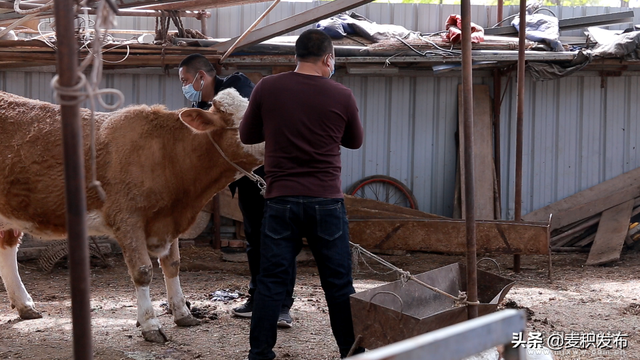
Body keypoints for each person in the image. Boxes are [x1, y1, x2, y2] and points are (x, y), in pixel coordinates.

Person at [239, 29, 365, 359]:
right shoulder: (342, 95)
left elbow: (247, 134)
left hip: (281, 200)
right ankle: (350, 353)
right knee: (339, 286)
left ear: (296, 56)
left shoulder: (268, 87)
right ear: (328, 58)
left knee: (271, 283)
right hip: (327, 203)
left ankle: (260, 354)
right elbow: (354, 141)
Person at [178, 54, 295, 327]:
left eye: (186, 80)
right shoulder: (203, 105)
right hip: (245, 179)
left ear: (202, 77)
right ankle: (258, 298)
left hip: (269, 175)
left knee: (277, 240)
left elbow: (244, 118)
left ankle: (282, 305)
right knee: (255, 239)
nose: (184, 87)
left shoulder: (236, 85)